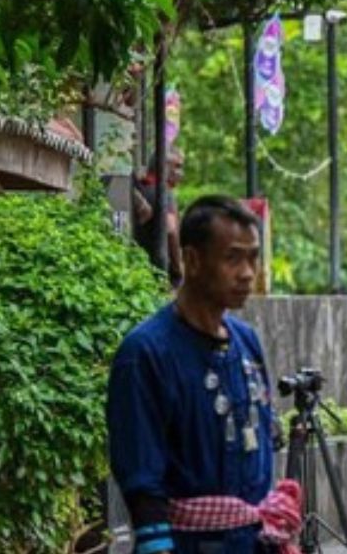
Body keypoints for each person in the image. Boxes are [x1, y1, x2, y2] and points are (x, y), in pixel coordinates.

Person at [108, 195, 300, 554]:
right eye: (232, 258)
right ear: (192, 260)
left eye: (253, 258)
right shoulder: (146, 353)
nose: (246, 272)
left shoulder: (247, 341)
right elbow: (142, 480)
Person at [134, 150, 185, 288]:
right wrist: (178, 270)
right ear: (164, 166)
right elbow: (170, 229)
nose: (181, 173)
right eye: (177, 166)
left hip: (138, 268)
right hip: (159, 272)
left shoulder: (139, 189)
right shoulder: (164, 193)